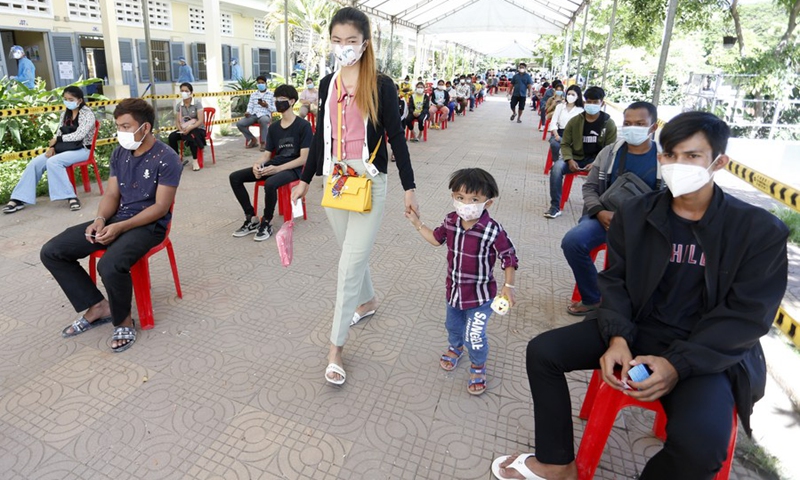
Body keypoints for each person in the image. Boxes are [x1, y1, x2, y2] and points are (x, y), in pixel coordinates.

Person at [492, 111, 788, 480]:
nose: (679, 165)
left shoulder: (758, 232)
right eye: (670, 155)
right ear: (660, 157)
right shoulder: (636, 213)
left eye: (693, 156)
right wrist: (617, 336)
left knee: (703, 448)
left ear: (719, 162)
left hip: (705, 351)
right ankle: (557, 462)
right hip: (637, 327)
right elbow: (615, 281)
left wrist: (677, 365)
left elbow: (747, 318)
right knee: (543, 352)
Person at [291, 6, 418, 386]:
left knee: (347, 266)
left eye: (350, 41)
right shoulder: (329, 81)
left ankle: (335, 349)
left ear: (364, 44)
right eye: (336, 41)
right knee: (350, 250)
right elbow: (319, 137)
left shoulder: (381, 84)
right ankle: (368, 301)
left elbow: (397, 136)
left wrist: (409, 188)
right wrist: (306, 179)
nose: (343, 47)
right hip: (336, 178)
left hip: (369, 178)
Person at [40, 98, 181, 353]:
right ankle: (98, 306)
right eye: (118, 126)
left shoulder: (166, 157)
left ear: (145, 127)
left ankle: (124, 321)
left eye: (126, 126)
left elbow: (161, 207)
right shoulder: (119, 153)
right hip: (117, 218)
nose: (121, 132)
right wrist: (100, 220)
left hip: (150, 224)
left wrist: (121, 227)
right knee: (53, 250)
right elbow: (112, 196)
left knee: (110, 265)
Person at [405, 168, 518, 396]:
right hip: (454, 293)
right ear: (453, 197)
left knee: (474, 336)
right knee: (453, 327)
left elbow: (509, 257)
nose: (466, 204)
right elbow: (437, 240)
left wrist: (508, 287)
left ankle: (478, 365)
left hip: (481, 298)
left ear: (487, 203)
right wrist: (417, 223)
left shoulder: (492, 231)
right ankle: (455, 348)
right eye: (460, 197)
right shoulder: (450, 221)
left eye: (474, 199)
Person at [563, 101, 661, 316]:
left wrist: (640, 220)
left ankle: (635, 304)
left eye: (640, 123)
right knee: (573, 242)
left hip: (645, 223)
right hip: (604, 216)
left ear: (653, 127)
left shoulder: (664, 159)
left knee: (651, 256)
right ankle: (593, 297)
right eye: (628, 123)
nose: (632, 128)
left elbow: (671, 201)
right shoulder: (610, 153)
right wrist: (599, 212)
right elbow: (589, 187)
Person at [230, 85, 312, 241]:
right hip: (274, 165)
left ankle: (266, 222)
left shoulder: (303, 126)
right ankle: (251, 219)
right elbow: (267, 155)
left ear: (292, 101)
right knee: (235, 177)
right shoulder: (274, 127)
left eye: (282, 99)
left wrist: (277, 169)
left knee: (270, 183)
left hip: (293, 169)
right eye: (276, 99)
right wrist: (257, 165)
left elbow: (303, 159)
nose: (277, 102)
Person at [4, 86, 96, 214]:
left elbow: (79, 135)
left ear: (79, 100)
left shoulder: (87, 114)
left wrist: (58, 140)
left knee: (54, 162)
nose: (67, 102)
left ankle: (71, 197)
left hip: (83, 150)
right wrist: (52, 147)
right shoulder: (65, 113)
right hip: (64, 149)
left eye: (71, 99)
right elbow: (59, 131)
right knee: (35, 163)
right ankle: (19, 198)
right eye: (65, 99)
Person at [544, 86, 617, 219]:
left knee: (610, 174)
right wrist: (569, 159)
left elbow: (610, 149)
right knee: (556, 168)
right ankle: (555, 206)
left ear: (602, 103)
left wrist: (596, 163)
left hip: (597, 160)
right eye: (589, 101)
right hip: (576, 157)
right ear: (584, 102)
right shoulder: (575, 121)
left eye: (596, 102)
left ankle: (600, 208)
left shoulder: (608, 124)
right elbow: (565, 143)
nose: (592, 105)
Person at [167, 82, 206, 171]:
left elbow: (200, 120)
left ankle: (195, 160)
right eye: (182, 91)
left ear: (191, 92)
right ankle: (176, 159)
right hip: (184, 129)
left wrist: (190, 128)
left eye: (186, 91)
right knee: (172, 136)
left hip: (198, 129)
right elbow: (177, 121)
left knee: (192, 135)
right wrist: (181, 129)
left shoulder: (197, 103)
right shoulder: (179, 105)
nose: (184, 93)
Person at [236, 75, 275, 151]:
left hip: (265, 114)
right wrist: (248, 112)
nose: (260, 84)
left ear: (266, 83)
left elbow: (275, 108)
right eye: (259, 83)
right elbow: (250, 106)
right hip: (254, 115)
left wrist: (267, 105)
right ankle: (253, 139)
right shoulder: (253, 95)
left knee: (263, 121)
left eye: (262, 83)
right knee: (240, 124)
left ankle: (263, 143)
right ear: (257, 84)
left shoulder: (271, 94)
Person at [547, 84, 584, 163]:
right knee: (554, 144)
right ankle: (556, 162)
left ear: (578, 96)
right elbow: (553, 122)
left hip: (573, 136)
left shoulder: (581, 110)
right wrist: (556, 135)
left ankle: (567, 162)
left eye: (573, 94)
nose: (570, 96)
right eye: (569, 94)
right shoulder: (560, 107)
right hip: (560, 133)